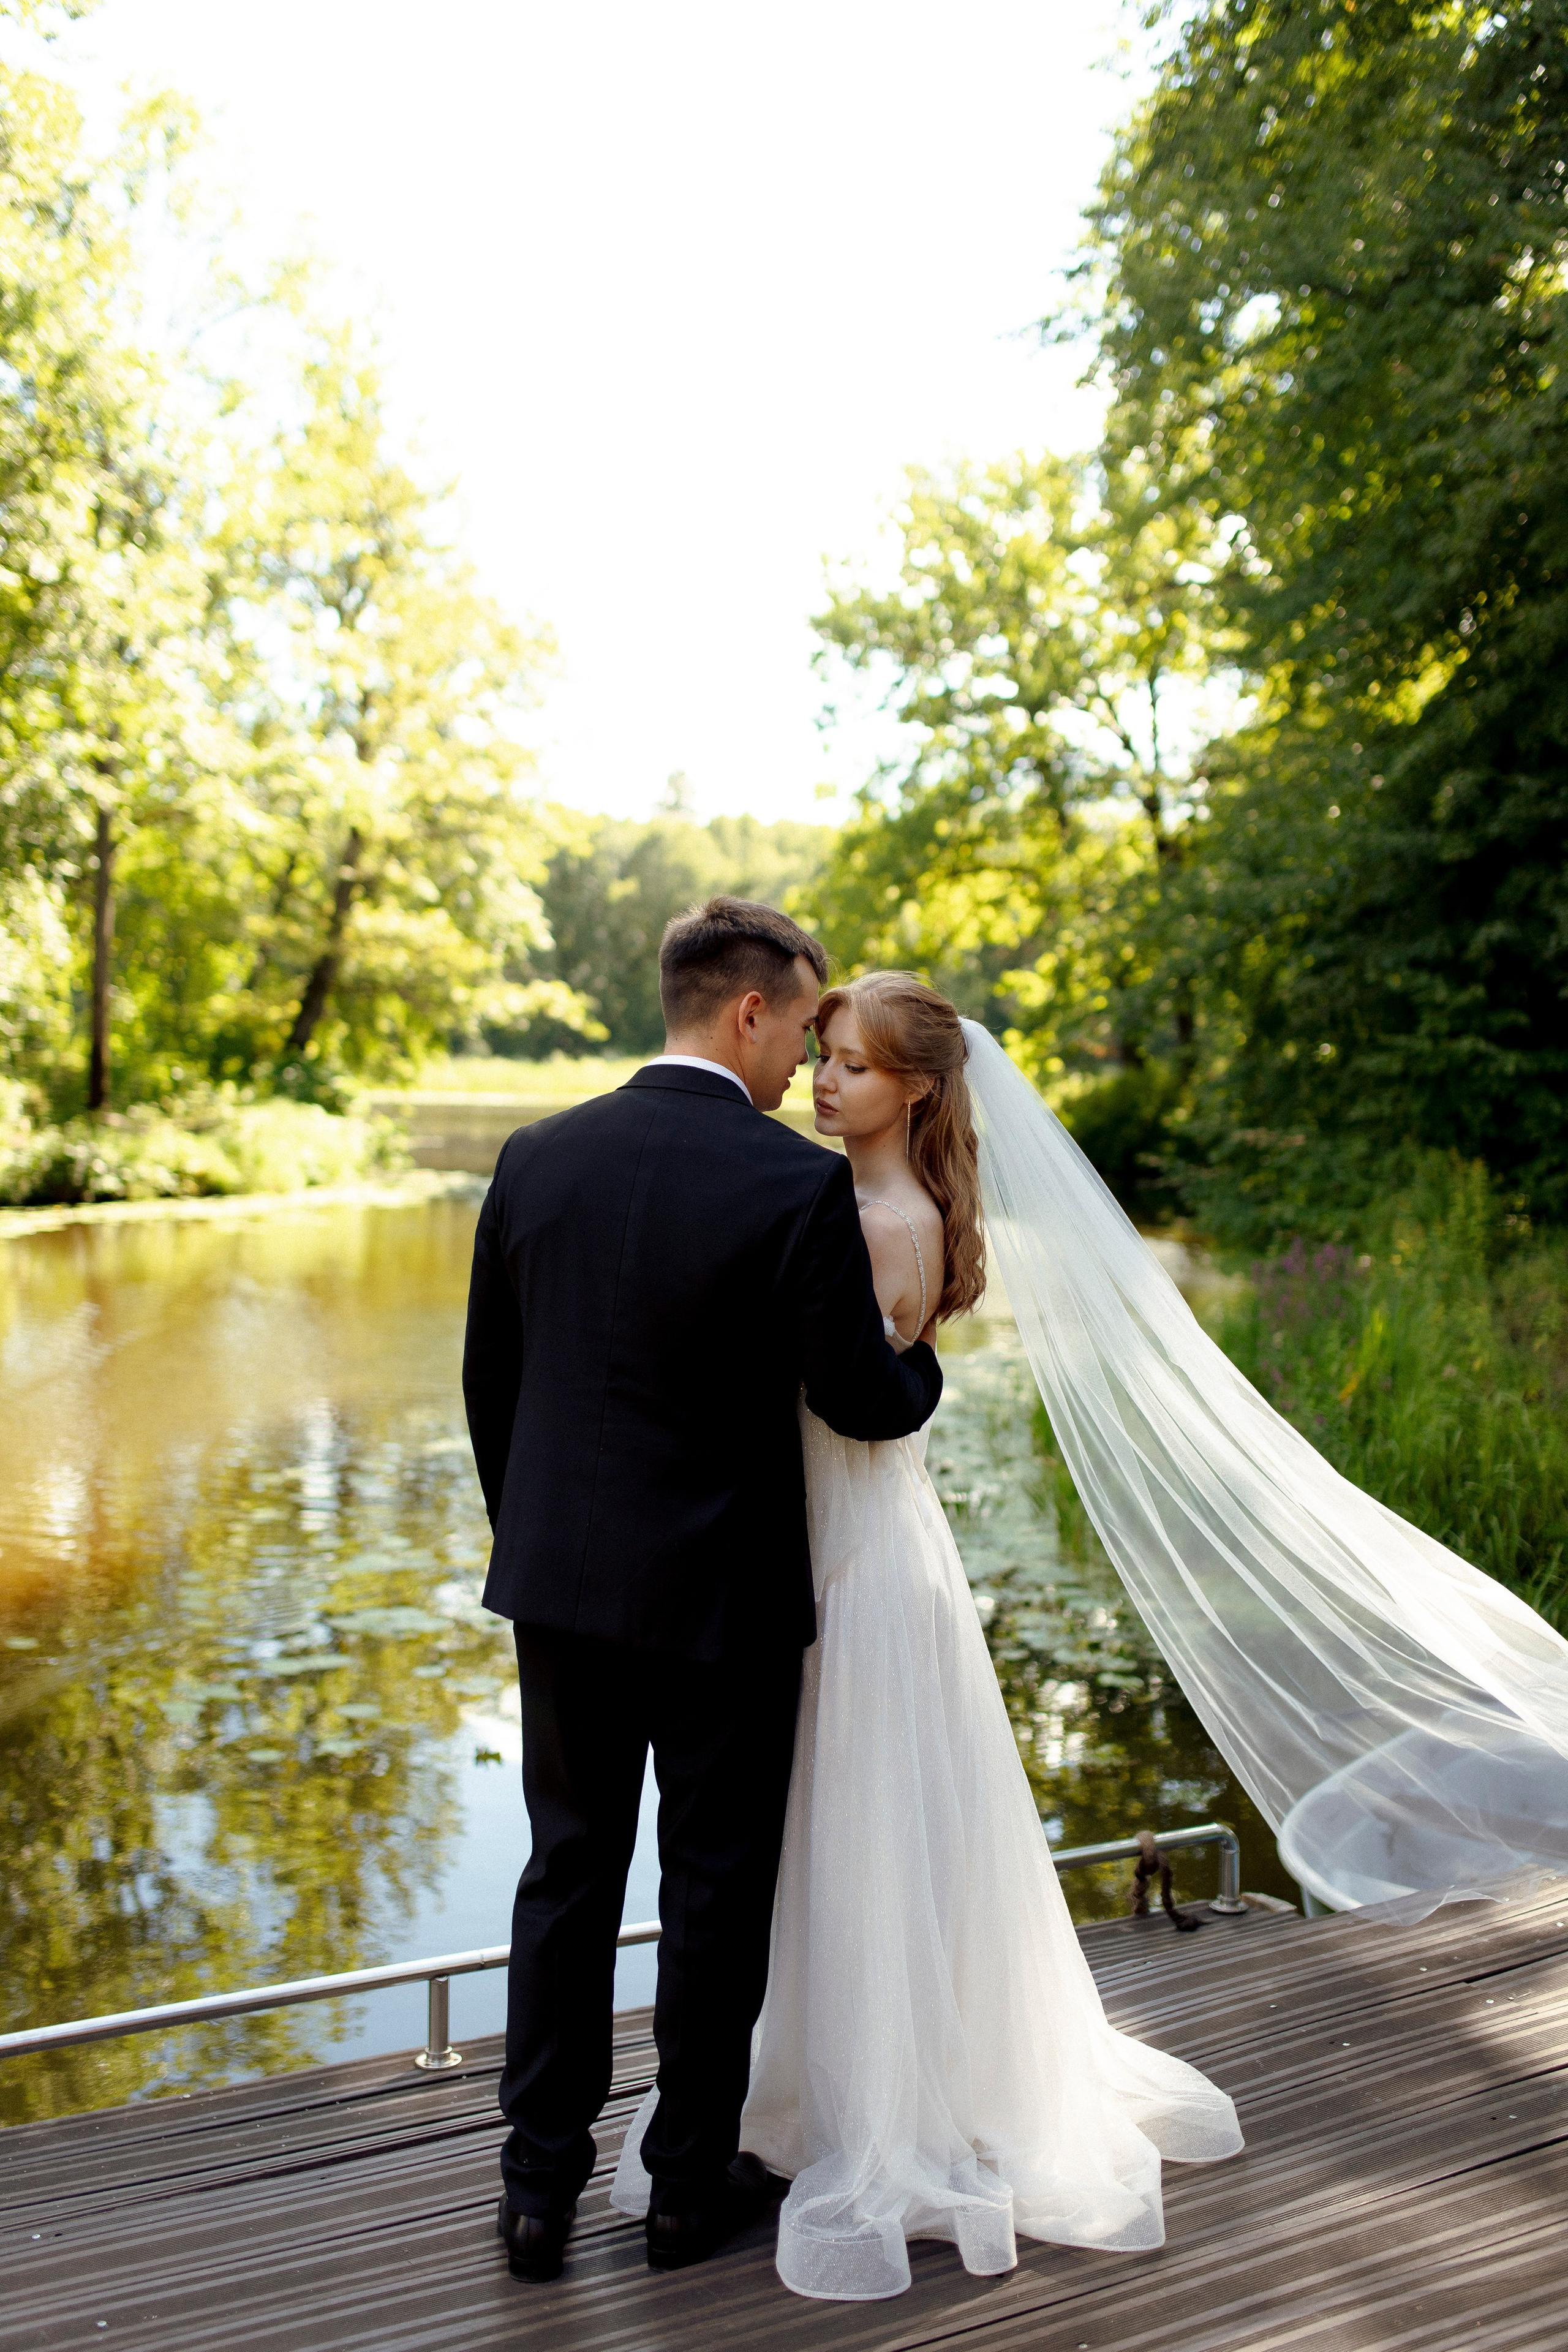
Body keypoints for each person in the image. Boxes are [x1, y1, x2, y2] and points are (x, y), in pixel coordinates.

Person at [610, 971, 1243, 2297]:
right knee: (827, 1826)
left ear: (913, 1090)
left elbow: (847, 1401)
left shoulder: (866, 1216)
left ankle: (876, 2106)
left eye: (849, 1066)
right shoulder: (849, 1201)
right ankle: (817, 2079)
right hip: (848, 1537)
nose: (825, 1081)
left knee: (854, 1819)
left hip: (844, 1557)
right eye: (822, 1057)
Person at [462, 902, 943, 2284]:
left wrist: (543, 1544)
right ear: (748, 1012)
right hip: (723, 1604)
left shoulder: (535, 1157)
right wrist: (925, 1370)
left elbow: (491, 1388)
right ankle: (682, 2190)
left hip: (558, 1591)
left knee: (563, 1878)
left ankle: (534, 2192)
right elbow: (860, 1396)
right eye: (800, 1027)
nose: (804, 1058)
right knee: (713, 1890)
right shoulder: (786, 1184)